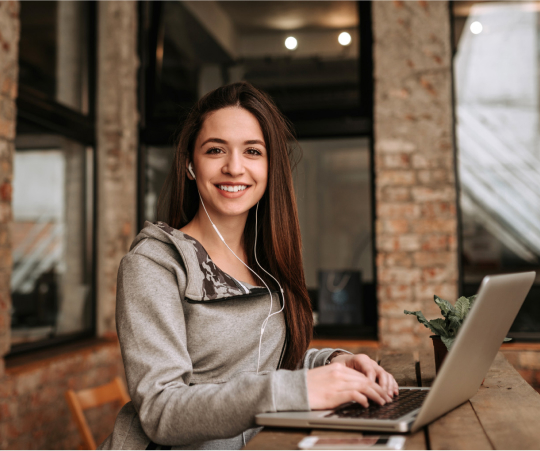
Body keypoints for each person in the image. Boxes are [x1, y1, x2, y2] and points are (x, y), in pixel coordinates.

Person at [99, 82, 398, 450]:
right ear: (190, 164)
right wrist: (300, 389)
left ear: (270, 166)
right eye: (215, 150)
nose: (234, 167)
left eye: (252, 151)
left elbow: (262, 366)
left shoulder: (264, 260)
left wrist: (335, 363)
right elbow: (163, 411)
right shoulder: (154, 264)